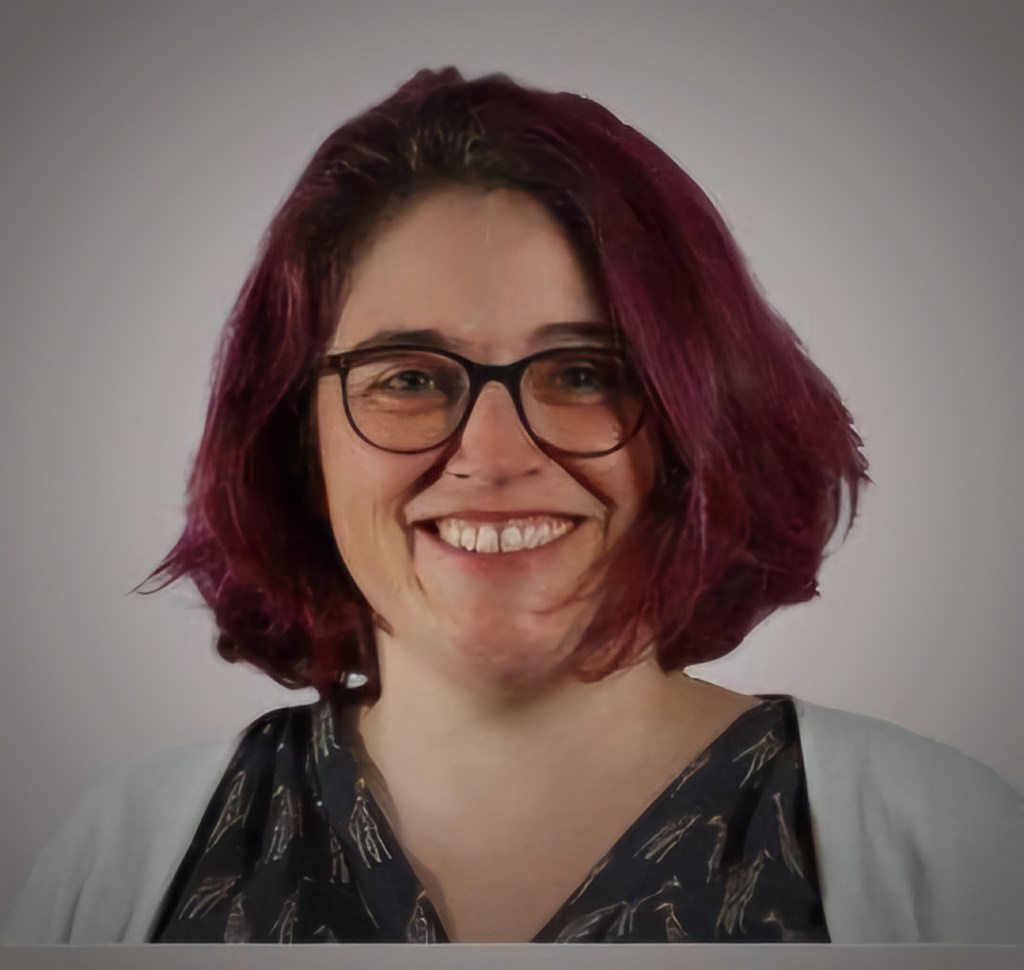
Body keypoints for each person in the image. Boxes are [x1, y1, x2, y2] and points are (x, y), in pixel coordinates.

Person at [3, 67, 1021, 946]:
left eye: (582, 373)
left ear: (696, 424)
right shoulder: (121, 861)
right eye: (408, 378)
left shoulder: (947, 846)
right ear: (297, 439)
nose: (493, 456)